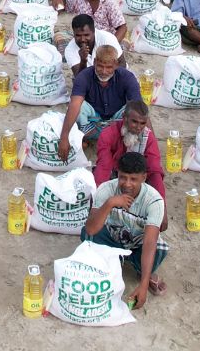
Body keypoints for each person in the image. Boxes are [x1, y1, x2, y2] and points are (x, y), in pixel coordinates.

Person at [84, 152, 167, 307]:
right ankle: (111, 262)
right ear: (117, 174)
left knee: (158, 250)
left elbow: (149, 242)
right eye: (123, 177)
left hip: (137, 244)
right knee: (87, 235)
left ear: (144, 178)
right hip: (113, 237)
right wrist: (110, 203)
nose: (127, 184)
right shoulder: (106, 189)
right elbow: (90, 229)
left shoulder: (154, 200)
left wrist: (142, 286)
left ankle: (144, 275)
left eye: (133, 179)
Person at [64, 46, 141, 159]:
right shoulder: (84, 76)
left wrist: (151, 142)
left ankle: (103, 137)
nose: (104, 72)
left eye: (109, 67)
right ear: (94, 62)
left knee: (134, 110)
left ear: (116, 65)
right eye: (100, 66)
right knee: (77, 107)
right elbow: (75, 105)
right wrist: (64, 138)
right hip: (93, 123)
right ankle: (101, 137)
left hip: (117, 121)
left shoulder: (127, 77)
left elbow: (139, 109)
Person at [93, 100, 167, 200]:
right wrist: (97, 197)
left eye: (142, 123)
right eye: (134, 122)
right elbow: (104, 166)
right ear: (124, 118)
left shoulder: (148, 138)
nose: (138, 127)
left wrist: (161, 203)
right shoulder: (108, 134)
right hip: (116, 175)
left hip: (137, 179)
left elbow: (154, 170)